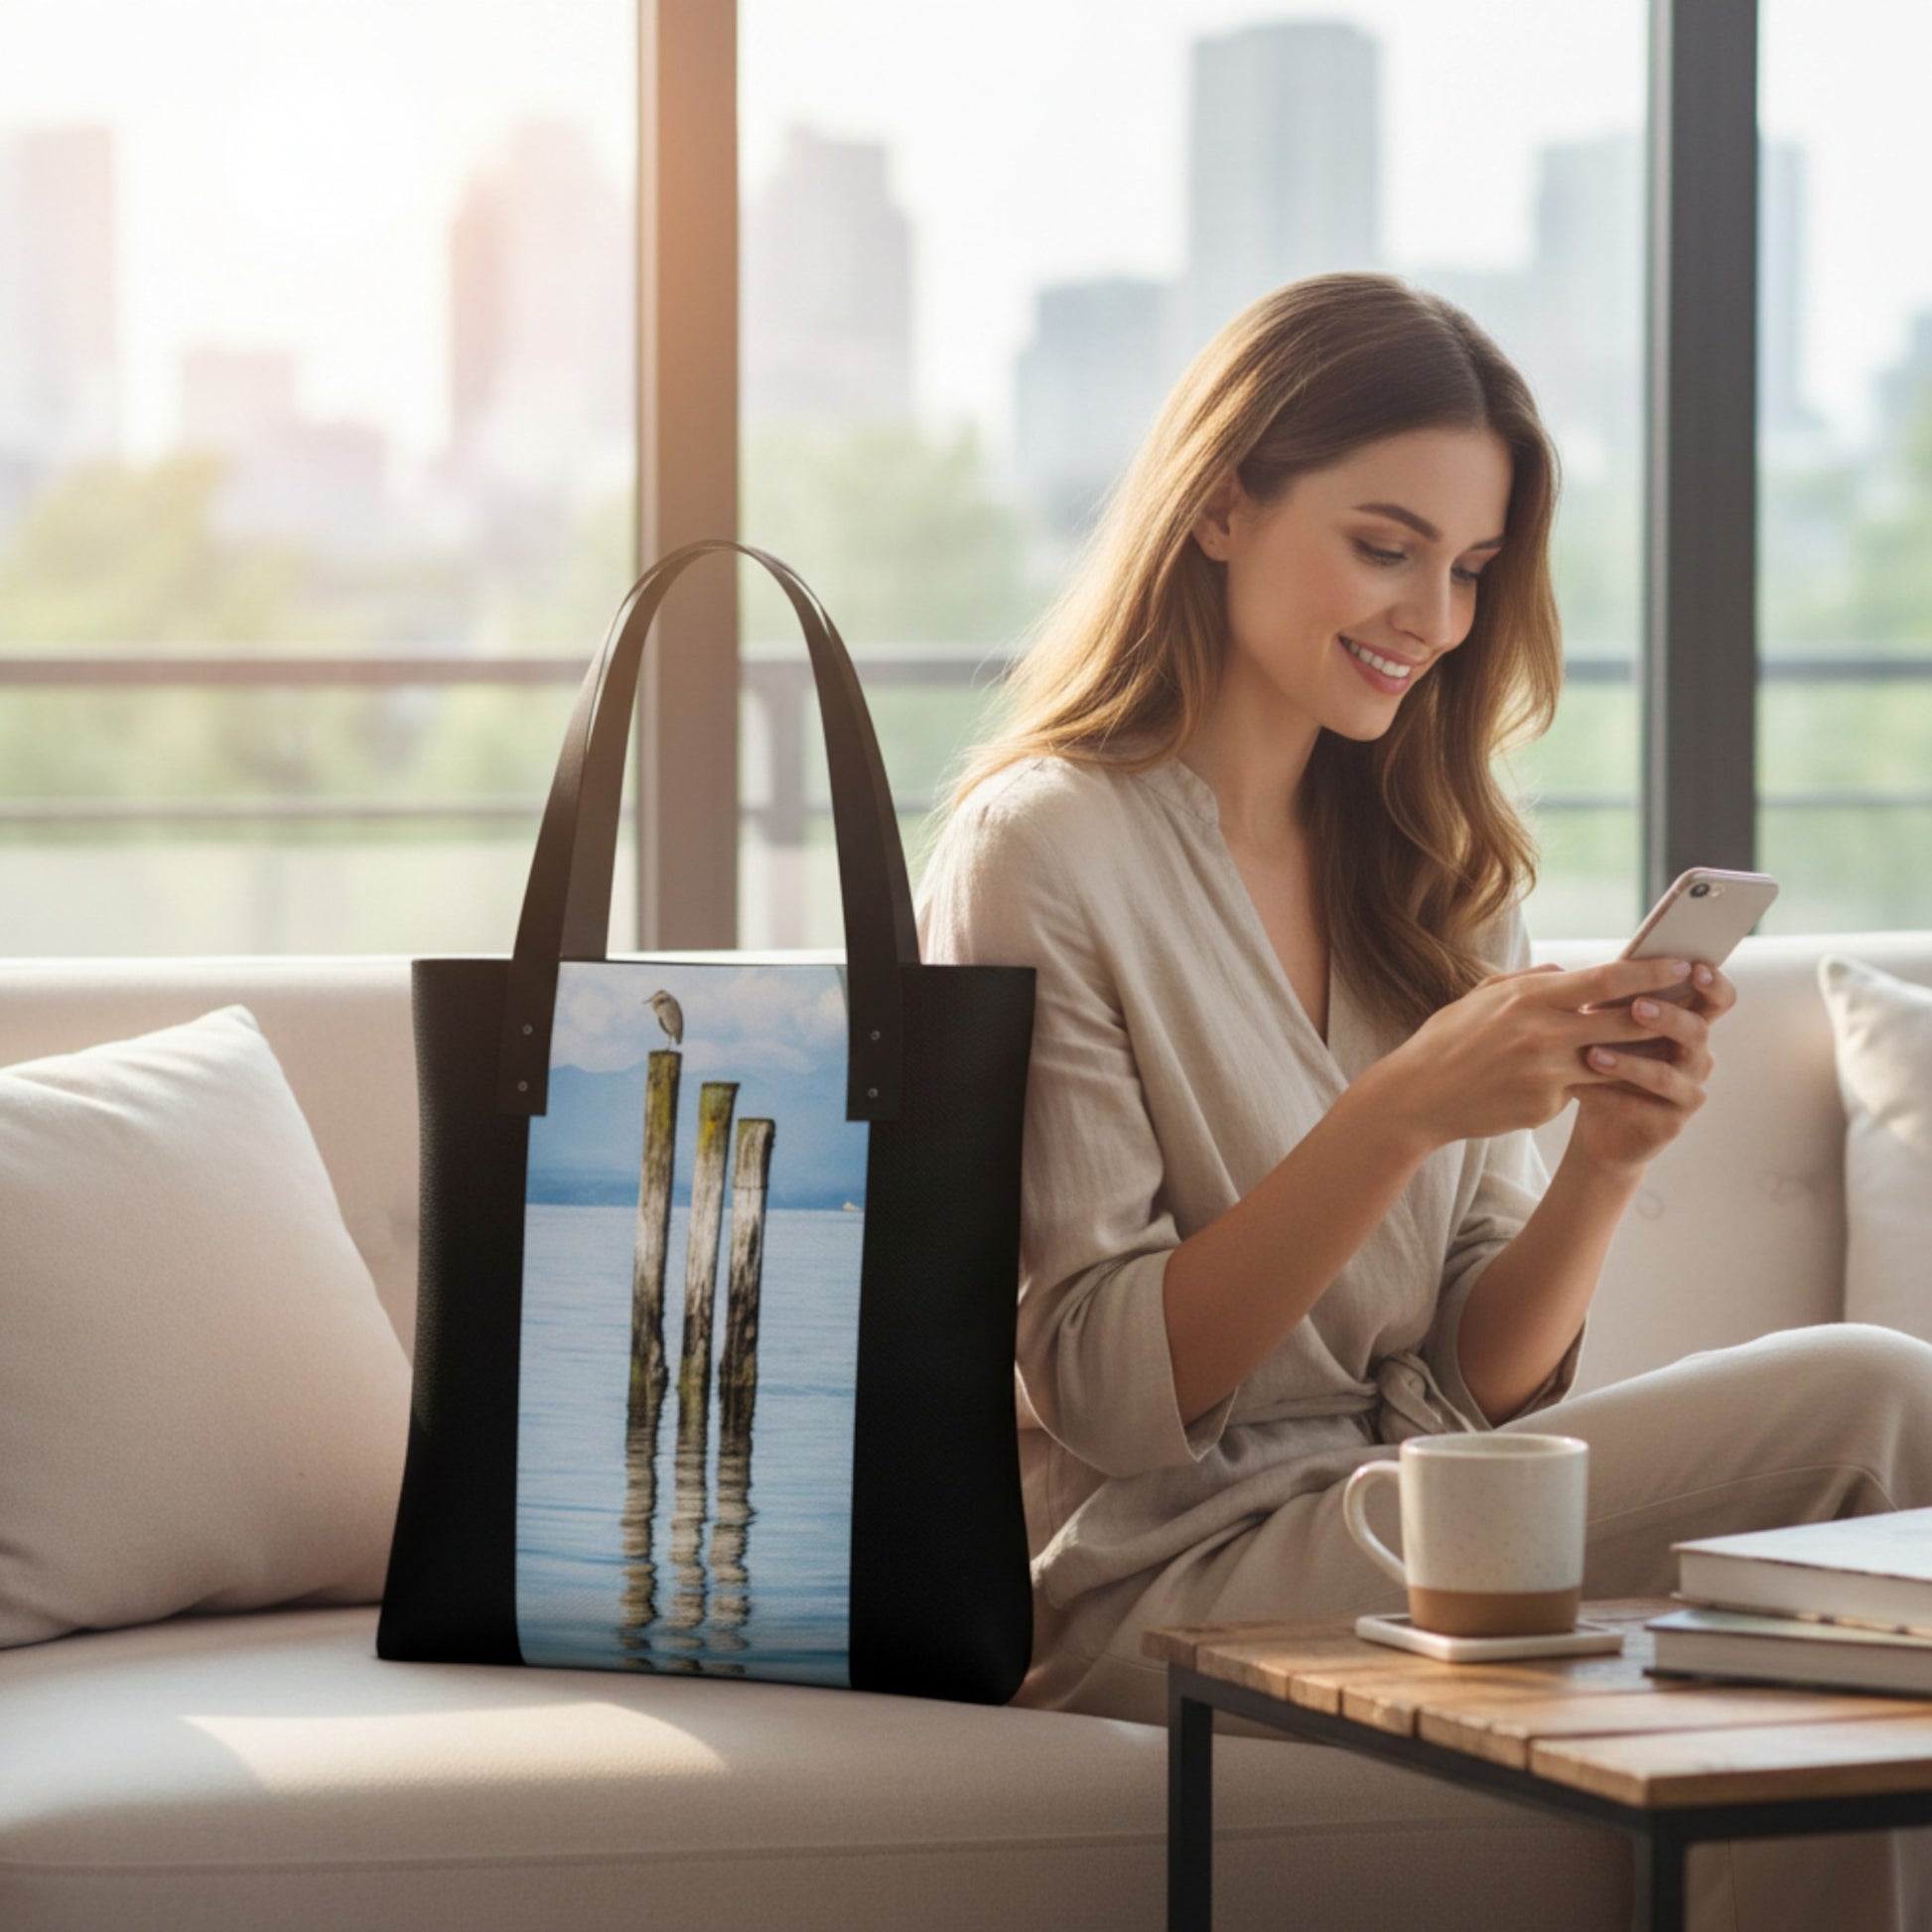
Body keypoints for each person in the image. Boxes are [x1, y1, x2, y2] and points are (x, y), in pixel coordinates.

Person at [914, 272, 1932, 1931]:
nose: (1431, 616)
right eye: (1384, 546)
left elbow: (1472, 1380)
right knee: (1874, 1403)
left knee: (1832, 1623)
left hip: (1424, 1508)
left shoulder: (1441, 870)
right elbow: (1097, 1389)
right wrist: (1391, 1111)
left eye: (1466, 570)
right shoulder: (1047, 847)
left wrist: (1606, 1160)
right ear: (1223, 503)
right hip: (1149, 1571)